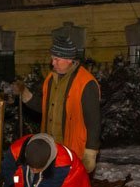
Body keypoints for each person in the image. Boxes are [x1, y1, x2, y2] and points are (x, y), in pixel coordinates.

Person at [16, 35, 102, 174]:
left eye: (56, 59)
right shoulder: (51, 79)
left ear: (69, 60)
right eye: (52, 58)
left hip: (73, 150)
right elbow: (45, 107)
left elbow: (94, 121)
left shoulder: (86, 83)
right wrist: (25, 94)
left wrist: (91, 152)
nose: (52, 63)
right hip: (51, 148)